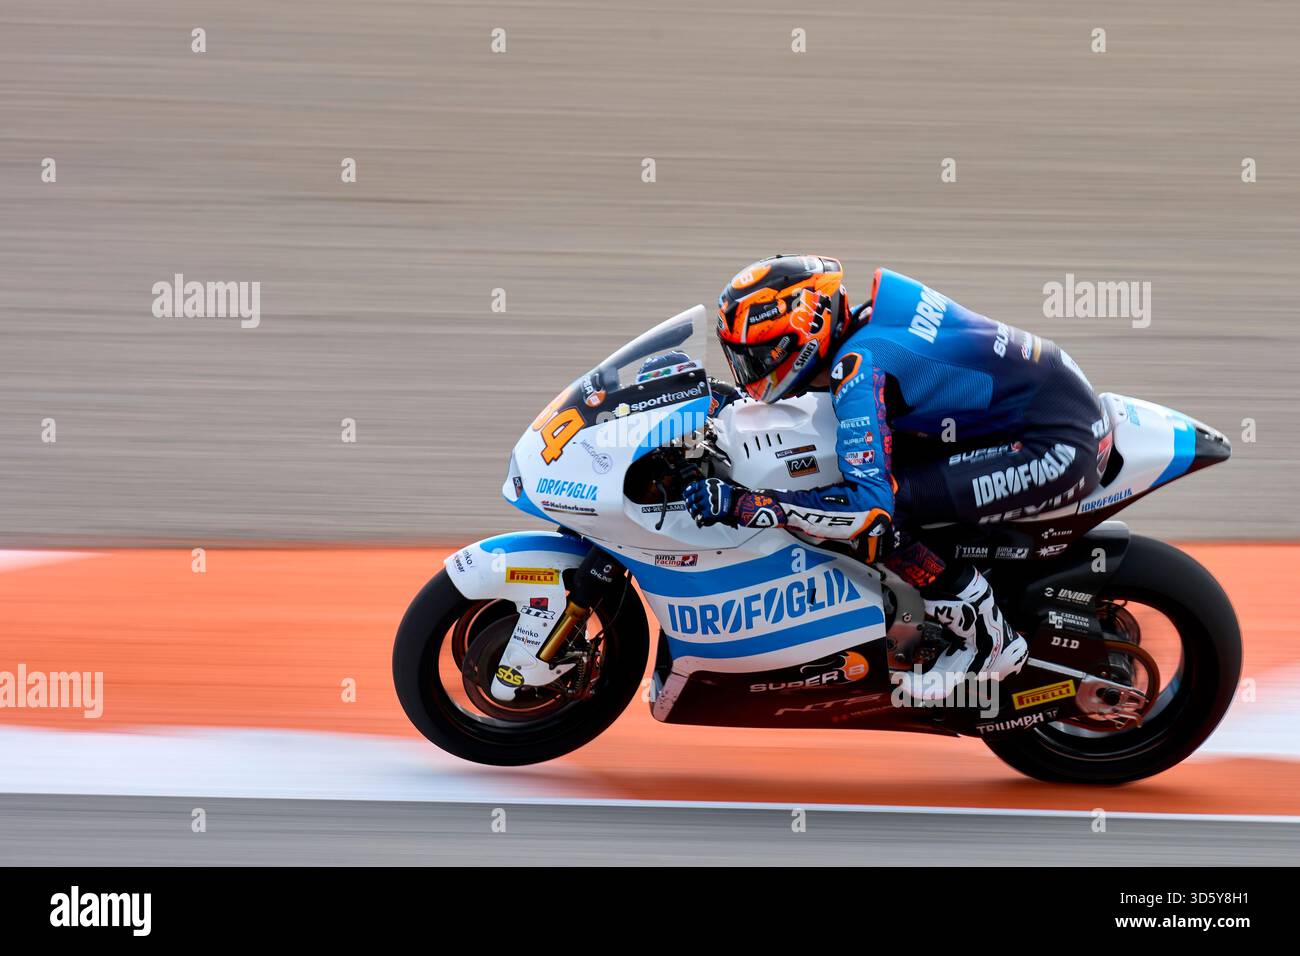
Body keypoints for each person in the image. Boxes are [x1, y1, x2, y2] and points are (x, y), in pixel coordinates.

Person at [682, 255, 1111, 699]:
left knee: (884, 513)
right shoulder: (864, 323)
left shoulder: (860, 365)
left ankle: (987, 637)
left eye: (762, 354)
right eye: (742, 356)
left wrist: (748, 504)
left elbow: (870, 510)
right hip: (1038, 404)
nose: (753, 369)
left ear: (807, 333)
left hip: (1055, 446)